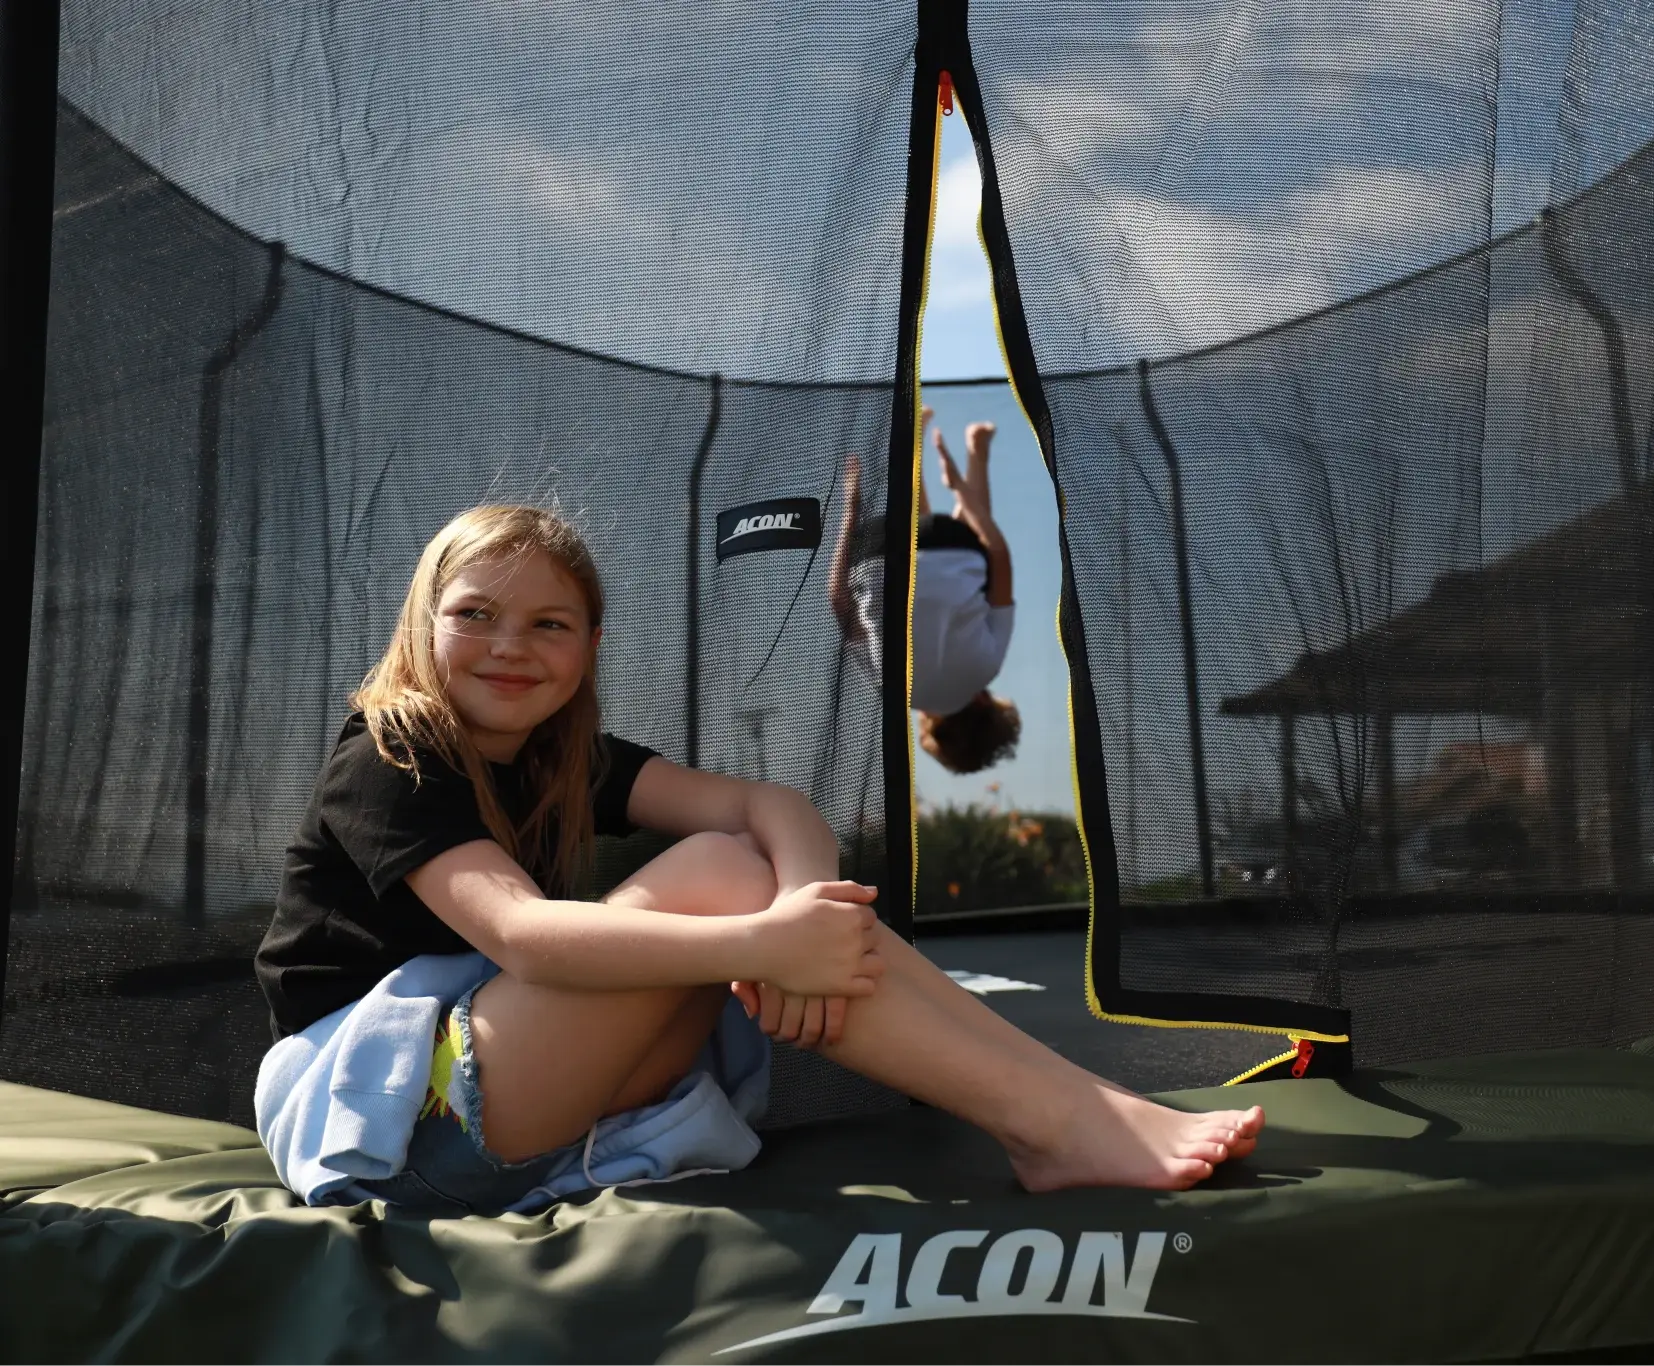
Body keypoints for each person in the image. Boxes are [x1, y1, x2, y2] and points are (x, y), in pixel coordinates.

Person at [252, 504, 1261, 1216]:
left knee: (742, 856)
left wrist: (800, 914)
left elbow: (766, 802)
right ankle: (1050, 1123)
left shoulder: (562, 760)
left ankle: (1068, 1106)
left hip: (523, 1114)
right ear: (424, 624)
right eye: (474, 612)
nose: (510, 644)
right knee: (723, 877)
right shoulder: (390, 752)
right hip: (391, 1133)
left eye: (548, 624)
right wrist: (769, 936)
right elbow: (526, 941)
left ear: (589, 645)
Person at [828, 409, 1021, 774]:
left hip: (951, 545)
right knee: (918, 565)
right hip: (875, 552)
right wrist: (851, 508)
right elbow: (838, 599)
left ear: (984, 704)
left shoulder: (987, 666)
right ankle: (919, 446)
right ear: (932, 727)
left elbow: (999, 556)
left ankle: (974, 450)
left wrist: (961, 491)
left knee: (966, 554)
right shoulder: (892, 688)